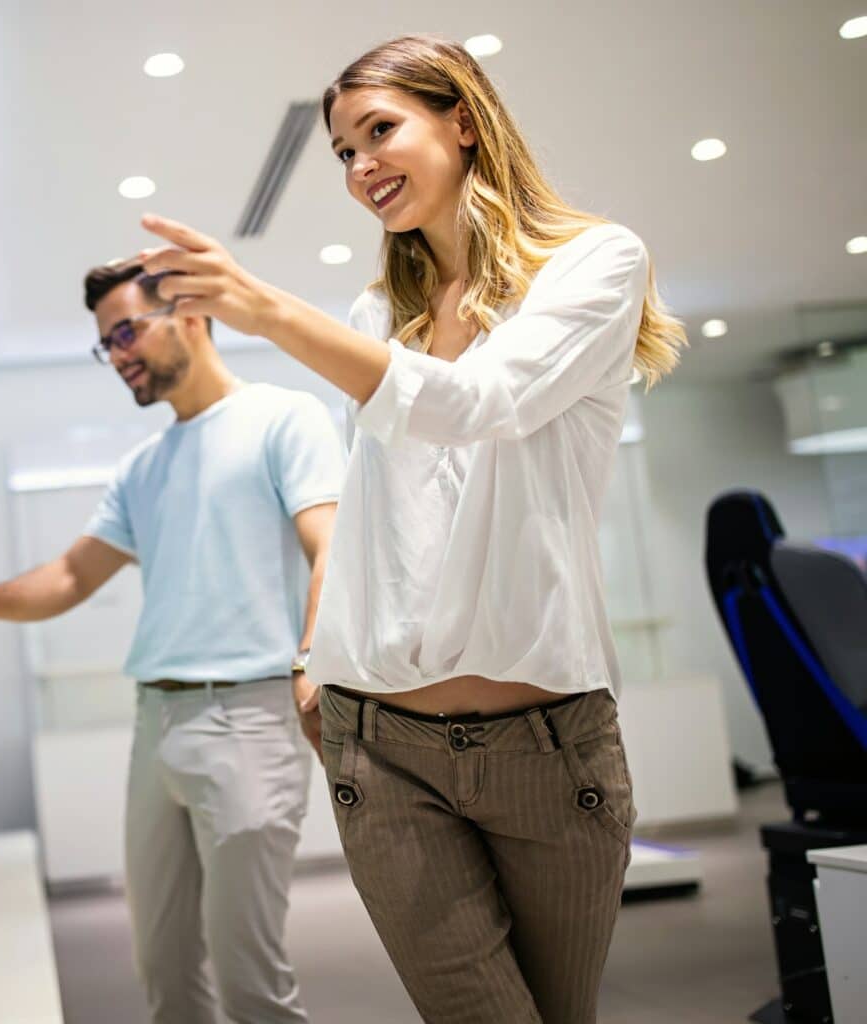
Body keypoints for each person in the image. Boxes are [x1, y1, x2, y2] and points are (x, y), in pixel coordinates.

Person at [132, 34, 686, 1024]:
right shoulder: (379, 309)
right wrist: (319, 654)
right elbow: (382, 513)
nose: (359, 168)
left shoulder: (595, 261)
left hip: (549, 748)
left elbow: (483, 399)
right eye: (343, 152)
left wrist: (267, 312)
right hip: (379, 746)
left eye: (378, 131)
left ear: (463, 121)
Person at [0, 259, 345, 1024]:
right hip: (155, 726)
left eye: (127, 331)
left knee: (249, 978)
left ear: (188, 311)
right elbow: (69, 575)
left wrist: (312, 664)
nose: (118, 353)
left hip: (250, 722)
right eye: (106, 342)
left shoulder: (285, 419)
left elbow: (333, 548)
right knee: (163, 971)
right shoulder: (142, 468)